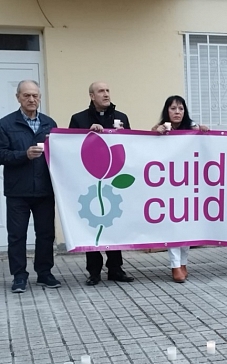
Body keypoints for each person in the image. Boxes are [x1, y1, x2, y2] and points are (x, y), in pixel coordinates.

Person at [69, 81, 134, 285]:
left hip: (115, 179)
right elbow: (71, 147)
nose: (106, 94)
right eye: (101, 91)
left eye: (108, 90)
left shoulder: (121, 118)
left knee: (113, 223)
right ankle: (94, 271)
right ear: (91, 96)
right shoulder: (79, 119)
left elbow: (131, 145)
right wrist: (87, 134)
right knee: (93, 224)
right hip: (89, 179)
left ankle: (115, 268)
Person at [0, 80, 61, 293]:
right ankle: (19, 276)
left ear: (40, 97)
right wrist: (23, 155)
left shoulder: (49, 124)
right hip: (18, 191)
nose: (31, 99)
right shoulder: (5, 124)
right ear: (18, 97)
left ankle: (44, 273)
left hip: (44, 189)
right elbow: (1, 154)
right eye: (26, 95)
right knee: (17, 235)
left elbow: (60, 153)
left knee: (45, 234)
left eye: (35, 95)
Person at [153, 95, 208, 282]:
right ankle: (175, 265)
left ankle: (183, 262)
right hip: (169, 185)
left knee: (187, 226)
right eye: (173, 108)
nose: (177, 112)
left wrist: (205, 131)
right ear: (166, 111)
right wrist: (155, 133)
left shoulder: (192, 129)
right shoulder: (160, 129)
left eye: (181, 108)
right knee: (173, 226)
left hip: (189, 184)